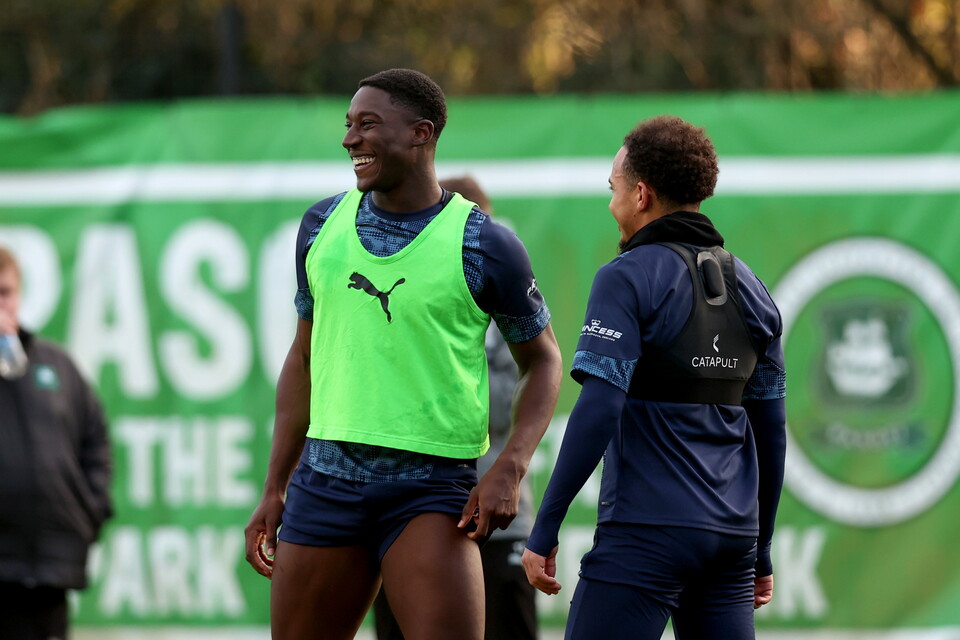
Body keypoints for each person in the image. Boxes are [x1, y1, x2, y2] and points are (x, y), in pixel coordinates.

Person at [243, 69, 562, 640]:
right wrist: (275, 485)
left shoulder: (484, 244)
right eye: (347, 125)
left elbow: (544, 361)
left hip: (431, 492)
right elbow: (303, 357)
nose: (349, 139)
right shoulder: (320, 225)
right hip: (325, 483)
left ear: (421, 133)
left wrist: (511, 468)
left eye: (367, 125)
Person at [521, 115, 787, 640]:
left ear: (641, 194)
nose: (611, 203)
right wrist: (760, 546)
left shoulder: (625, 276)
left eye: (613, 190)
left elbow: (599, 408)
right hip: (732, 540)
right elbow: (771, 430)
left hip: (646, 533)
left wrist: (546, 524)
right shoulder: (752, 287)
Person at [372, 176, 540, 640]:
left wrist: (432, 391)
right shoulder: (407, 304)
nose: (472, 242)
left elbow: (511, 401)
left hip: (496, 517)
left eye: (479, 227)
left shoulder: (507, 301)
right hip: (406, 516)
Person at [0, 246, 113, 640]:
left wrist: (87, 512)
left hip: (47, 567)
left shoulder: (56, 366)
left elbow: (95, 441)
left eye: (4, 292)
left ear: (19, 294)